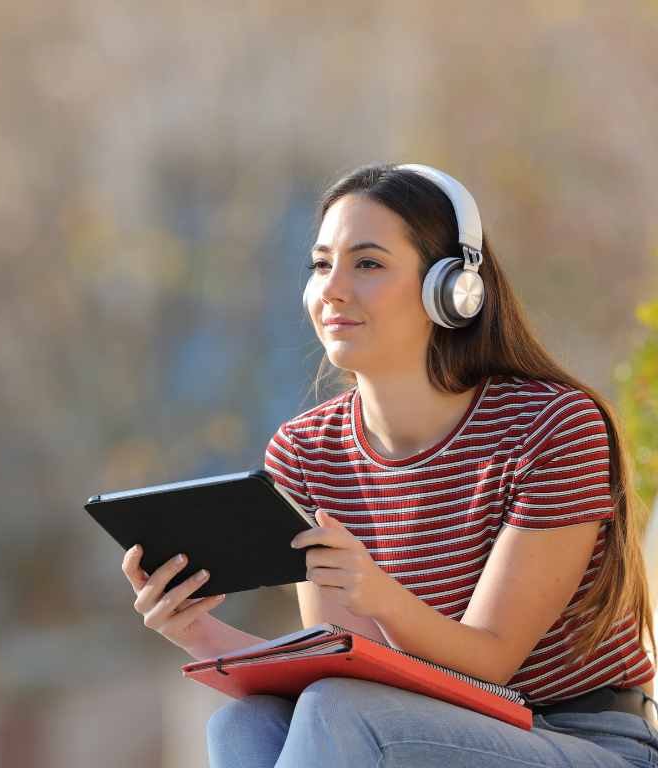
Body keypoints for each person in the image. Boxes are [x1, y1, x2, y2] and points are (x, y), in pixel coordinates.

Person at [120, 162, 658, 766]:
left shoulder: (553, 427)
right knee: (244, 722)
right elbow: (346, 664)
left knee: (335, 709)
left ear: (452, 290)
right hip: (412, 724)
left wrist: (377, 592)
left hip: (583, 742)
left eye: (368, 264)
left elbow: (490, 663)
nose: (333, 289)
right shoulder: (307, 453)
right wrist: (196, 632)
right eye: (322, 264)